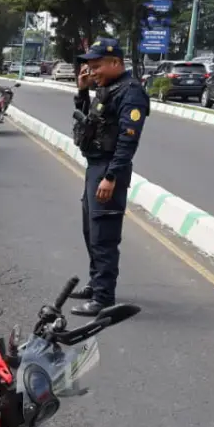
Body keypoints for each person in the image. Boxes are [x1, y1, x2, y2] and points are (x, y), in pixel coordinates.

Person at [70, 37, 150, 316]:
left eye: (97, 65)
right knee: (90, 231)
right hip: (95, 166)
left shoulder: (131, 92)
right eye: (89, 66)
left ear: (116, 62)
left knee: (104, 236)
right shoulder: (107, 89)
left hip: (108, 169)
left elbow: (128, 140)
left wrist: (111, 176)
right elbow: (88, 122)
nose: (92, 71)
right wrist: (82, 91)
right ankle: (95, 284)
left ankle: (104, 297)